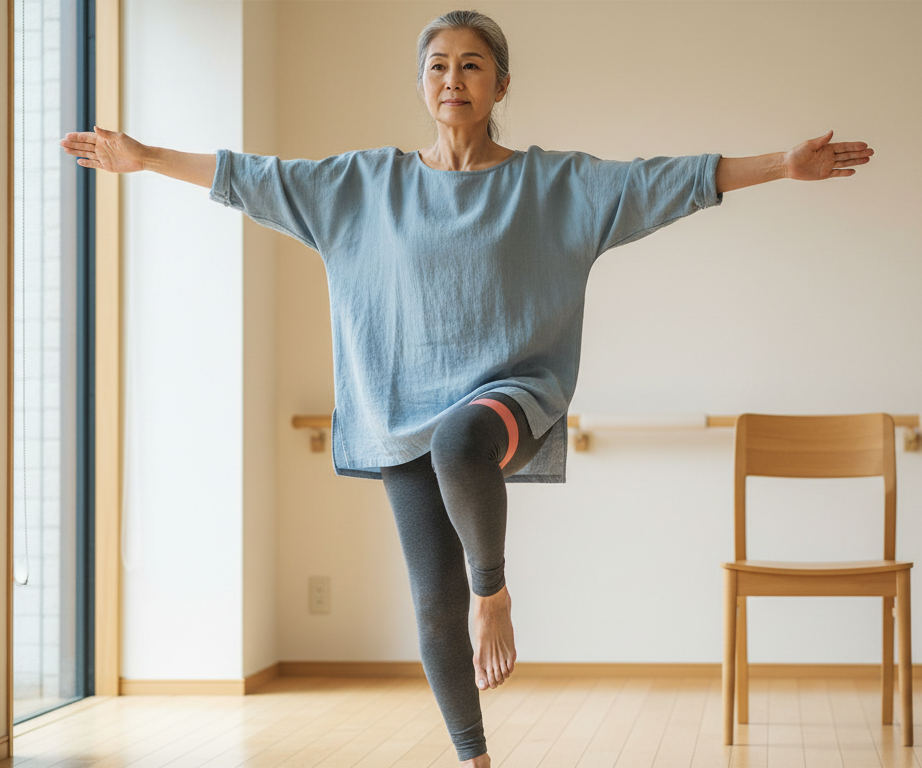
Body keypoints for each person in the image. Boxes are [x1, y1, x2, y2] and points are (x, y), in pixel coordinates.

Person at [59, 9, 874, 766]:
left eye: (473, 65)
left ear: (501, 86)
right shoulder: (361, 187)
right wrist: (143, 158)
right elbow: (249, 176)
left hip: (510, 393)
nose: (454, 78)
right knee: (431, 605)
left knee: (462, 454)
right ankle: (473, 756)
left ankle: (496, 592)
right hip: (397, 412)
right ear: (422, 83)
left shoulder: (556, 186)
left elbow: (664, 181)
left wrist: (782, 166)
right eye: (440, 65)